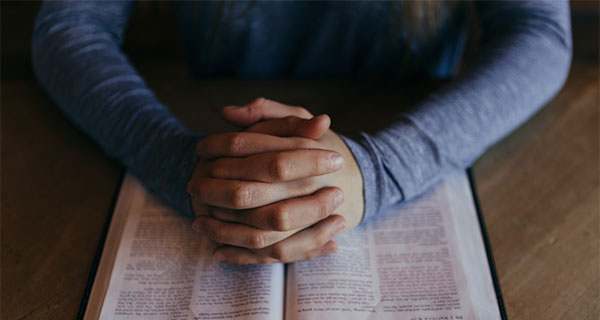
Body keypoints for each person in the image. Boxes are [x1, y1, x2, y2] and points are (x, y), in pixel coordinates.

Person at [32, 1, 572, 264]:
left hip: (415, 123)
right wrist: (185, 164)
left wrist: (380, 168)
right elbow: (68, 26)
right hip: (216, 127)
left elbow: (539, 32)